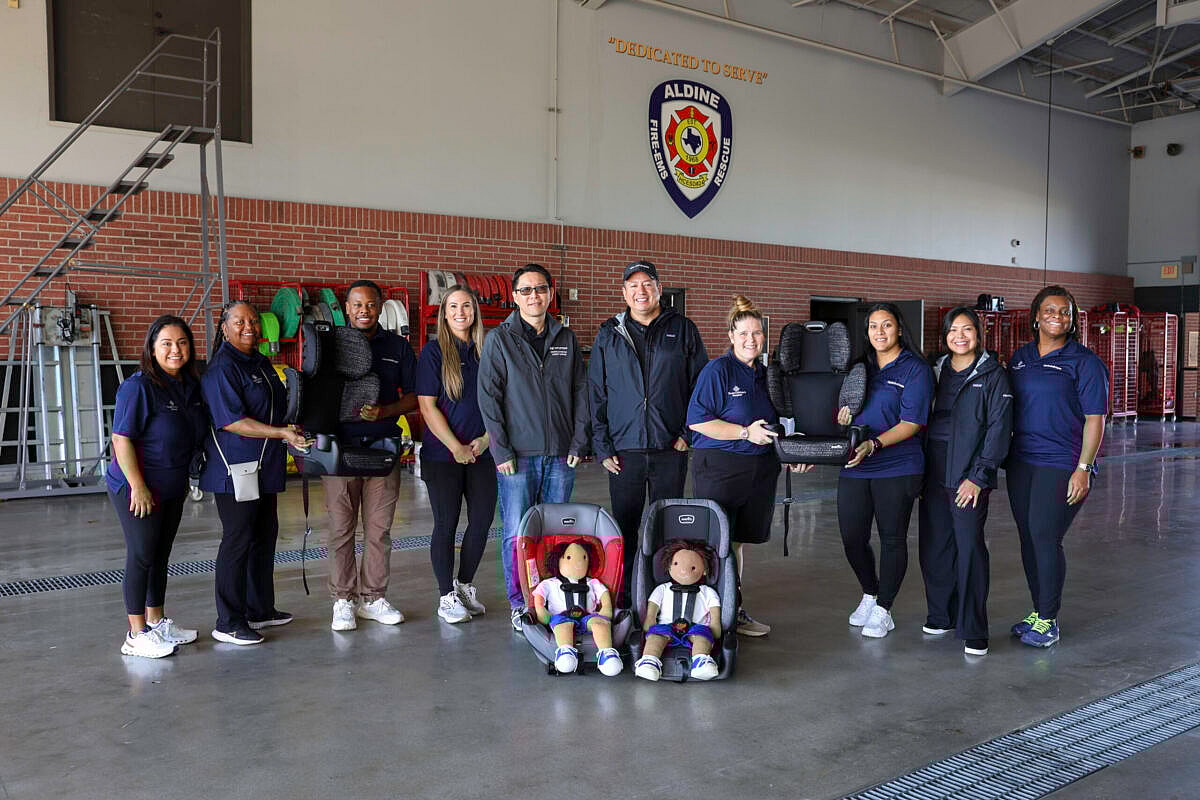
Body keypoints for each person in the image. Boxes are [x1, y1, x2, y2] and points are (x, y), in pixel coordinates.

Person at [686, 295, 812, 638]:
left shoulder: (768, 375)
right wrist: (743, 432)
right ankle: (705, 616)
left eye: (757, 333)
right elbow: (697, 421)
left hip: (760, 471)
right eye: (743, 333)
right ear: (730, 335)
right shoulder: (717, 371)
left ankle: (734, 611)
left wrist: (793, 452)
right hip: (721, 468)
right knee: (715, 544)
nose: (750, 340)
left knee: (738, 543)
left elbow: (780, 422)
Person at [477, 263, 589, 632]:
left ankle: (554, 597)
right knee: (517, 531)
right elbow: (489, 398)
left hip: (560, 453)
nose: (533, 296)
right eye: (525, 290)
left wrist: (578, 439)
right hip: (517, 457)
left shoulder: (566, 338)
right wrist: (501, 450)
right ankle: (519, 601)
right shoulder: (500, 339)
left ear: (550, 293)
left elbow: (580, 393)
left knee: (557, 532)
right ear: (514, 297)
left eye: (540, 289)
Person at [588, 260, 707, 605]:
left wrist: (688, 433)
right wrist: (602, 444)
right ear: (624, 293)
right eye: (633, 285)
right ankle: (624, 596)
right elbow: (596, 391)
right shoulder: (609, 333)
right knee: (625, 526)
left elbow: (699, 387)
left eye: (648, 284)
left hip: (670, 447)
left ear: (658, 289)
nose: (641, 291)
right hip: (624, 450)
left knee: (666, 526)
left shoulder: (682, 329)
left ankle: (661, 594)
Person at [200, 300, 310, 645]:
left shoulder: (259, 362)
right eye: (239, 322)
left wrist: (289, 425)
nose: (249, 327)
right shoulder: (222, 368)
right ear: (224, 327)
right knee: (238, 540)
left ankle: (259, 609)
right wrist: (280, 433)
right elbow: (232, 421)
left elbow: (272, 408)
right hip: (237, 470)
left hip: (264, 466)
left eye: (253, 321)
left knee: (264, 536)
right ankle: (229, 620)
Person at [1006, 285, 1107, 648]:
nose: (1057, 317)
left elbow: (1095, 419)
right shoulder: (1019, 358)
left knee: (1046, 537)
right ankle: (1037, 610)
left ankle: (1048, 620)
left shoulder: (1085, 362)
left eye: (1065, 312)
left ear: (1073, 319)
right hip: (1021, 462)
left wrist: (1084, 467)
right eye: (1050, 310)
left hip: (1062, 463)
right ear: (1036, 316)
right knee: (1029, 539)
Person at [107, 315, 207, 658]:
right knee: (142, 555)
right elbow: (121, 439)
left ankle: (157, 622)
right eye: (166, 343)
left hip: (171, 485)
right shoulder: (138, 387)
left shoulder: (187, 385)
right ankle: (135, 635)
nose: (175, 350)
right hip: (138, 487)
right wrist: (138, 485)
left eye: (182, 343)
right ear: (152, 348)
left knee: (160, 556)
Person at [917, 307, 1012, 657]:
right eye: (953, 330)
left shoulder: (992, 375)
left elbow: (999, 430)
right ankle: (941, 615)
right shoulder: (936, 371)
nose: (960, 336)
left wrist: (978, 477)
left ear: (978, 333)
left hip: (968, 473)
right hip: (933, 469)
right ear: (944, 336)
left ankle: (974, 627)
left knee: (969, 546)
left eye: (967, 329)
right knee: (935, 544)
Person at [324, 280, 417, 632]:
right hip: (339, 451)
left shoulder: (397, 347)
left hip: (382, 450)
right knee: (341, 530)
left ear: (380, 308)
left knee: (379, 531)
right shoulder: (329, 346)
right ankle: (343, 601)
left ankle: (373, 597)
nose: (364, 310)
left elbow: (415, 396)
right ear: (347, 308)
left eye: (371, 305)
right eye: (357, 305)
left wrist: (385, 411)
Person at [837, 302, 933, 640]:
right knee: (852, 537)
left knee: (892, 538)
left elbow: (912, 422)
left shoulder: (915, 369)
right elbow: (844, 408)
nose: (880, 332)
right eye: (874, 326)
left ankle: (884, 608)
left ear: (899, 329)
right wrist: (842, 418)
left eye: (887, 325)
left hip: (897, 466)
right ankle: (870, 592)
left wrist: (875, 444)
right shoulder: (858, 368)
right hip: (856, 465)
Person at [416, 285, 496, 624]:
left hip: (483, 453)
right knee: (446, 524)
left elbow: (502, 402)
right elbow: (427, 406)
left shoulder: (488, 350)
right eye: (453, 306)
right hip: (442, 456)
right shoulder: (434, 353)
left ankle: (464, 585)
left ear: (475, 311)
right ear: (444, 314)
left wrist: (485, 440)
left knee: (481, 522)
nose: (460, 312)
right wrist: (456, 447)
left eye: (466, 305)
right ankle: (445, 596)